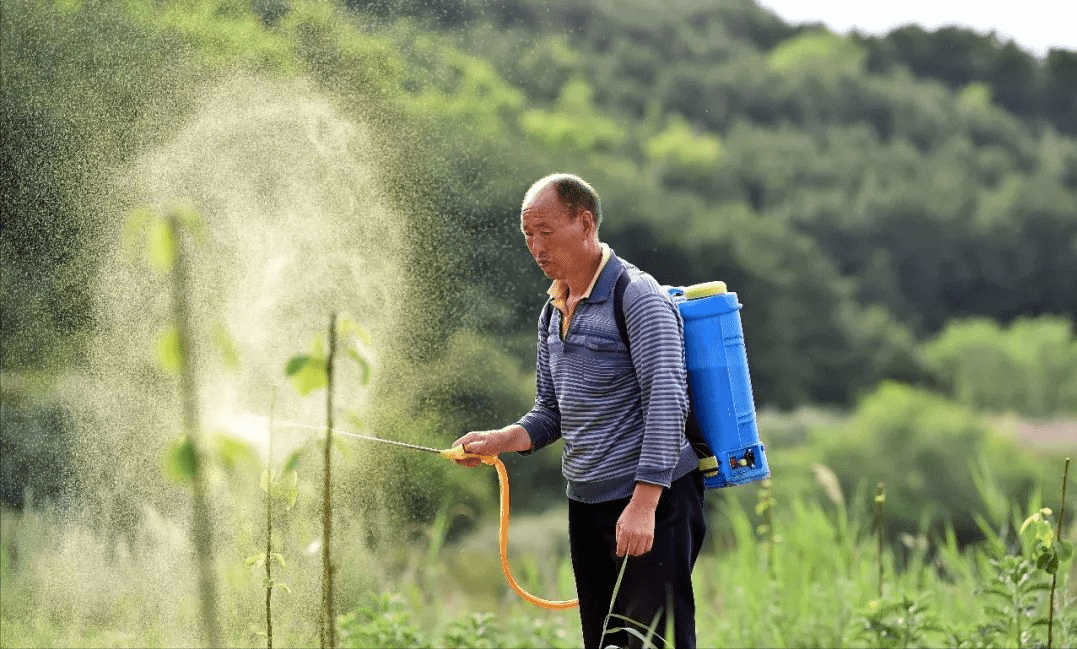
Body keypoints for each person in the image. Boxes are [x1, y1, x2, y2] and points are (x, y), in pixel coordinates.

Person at [453, 173, 707, 649]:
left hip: (650, 501)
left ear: (585, 223)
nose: (535, 246)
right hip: (587, 504)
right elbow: (550, 412)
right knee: (605, 643)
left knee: (650, 643)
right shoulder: (552, 310)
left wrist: (644, 505)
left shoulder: (638, 297)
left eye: (545, 232)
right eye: (528, 235)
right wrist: (500, 440)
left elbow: (668, 400)